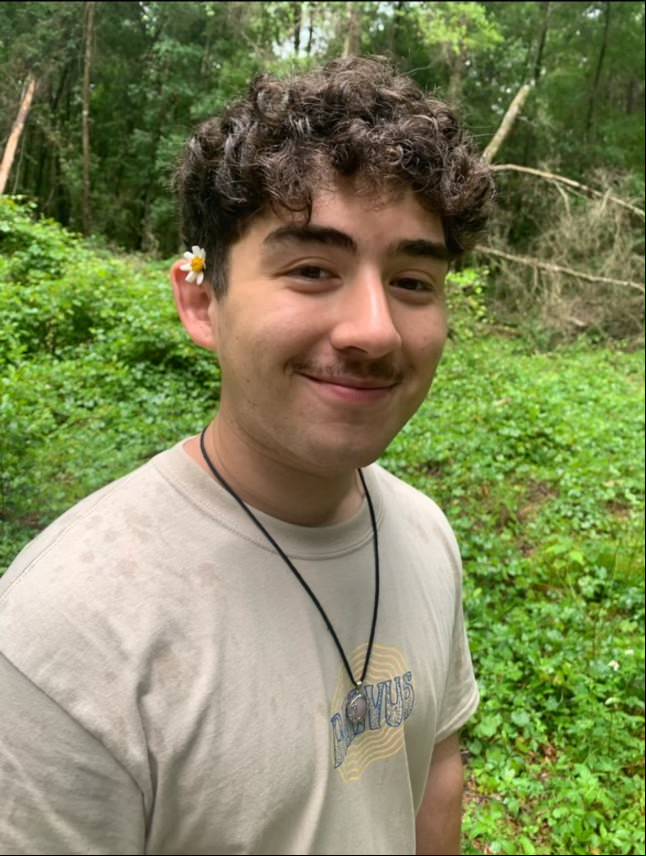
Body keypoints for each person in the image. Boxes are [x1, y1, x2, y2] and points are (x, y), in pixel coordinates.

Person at [0, 56, 494, 856]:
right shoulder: (60, 643)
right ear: (202, 300)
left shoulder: (425, 535)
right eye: (311, 269)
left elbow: (434, 767)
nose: (374, 329)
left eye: (411, 281)